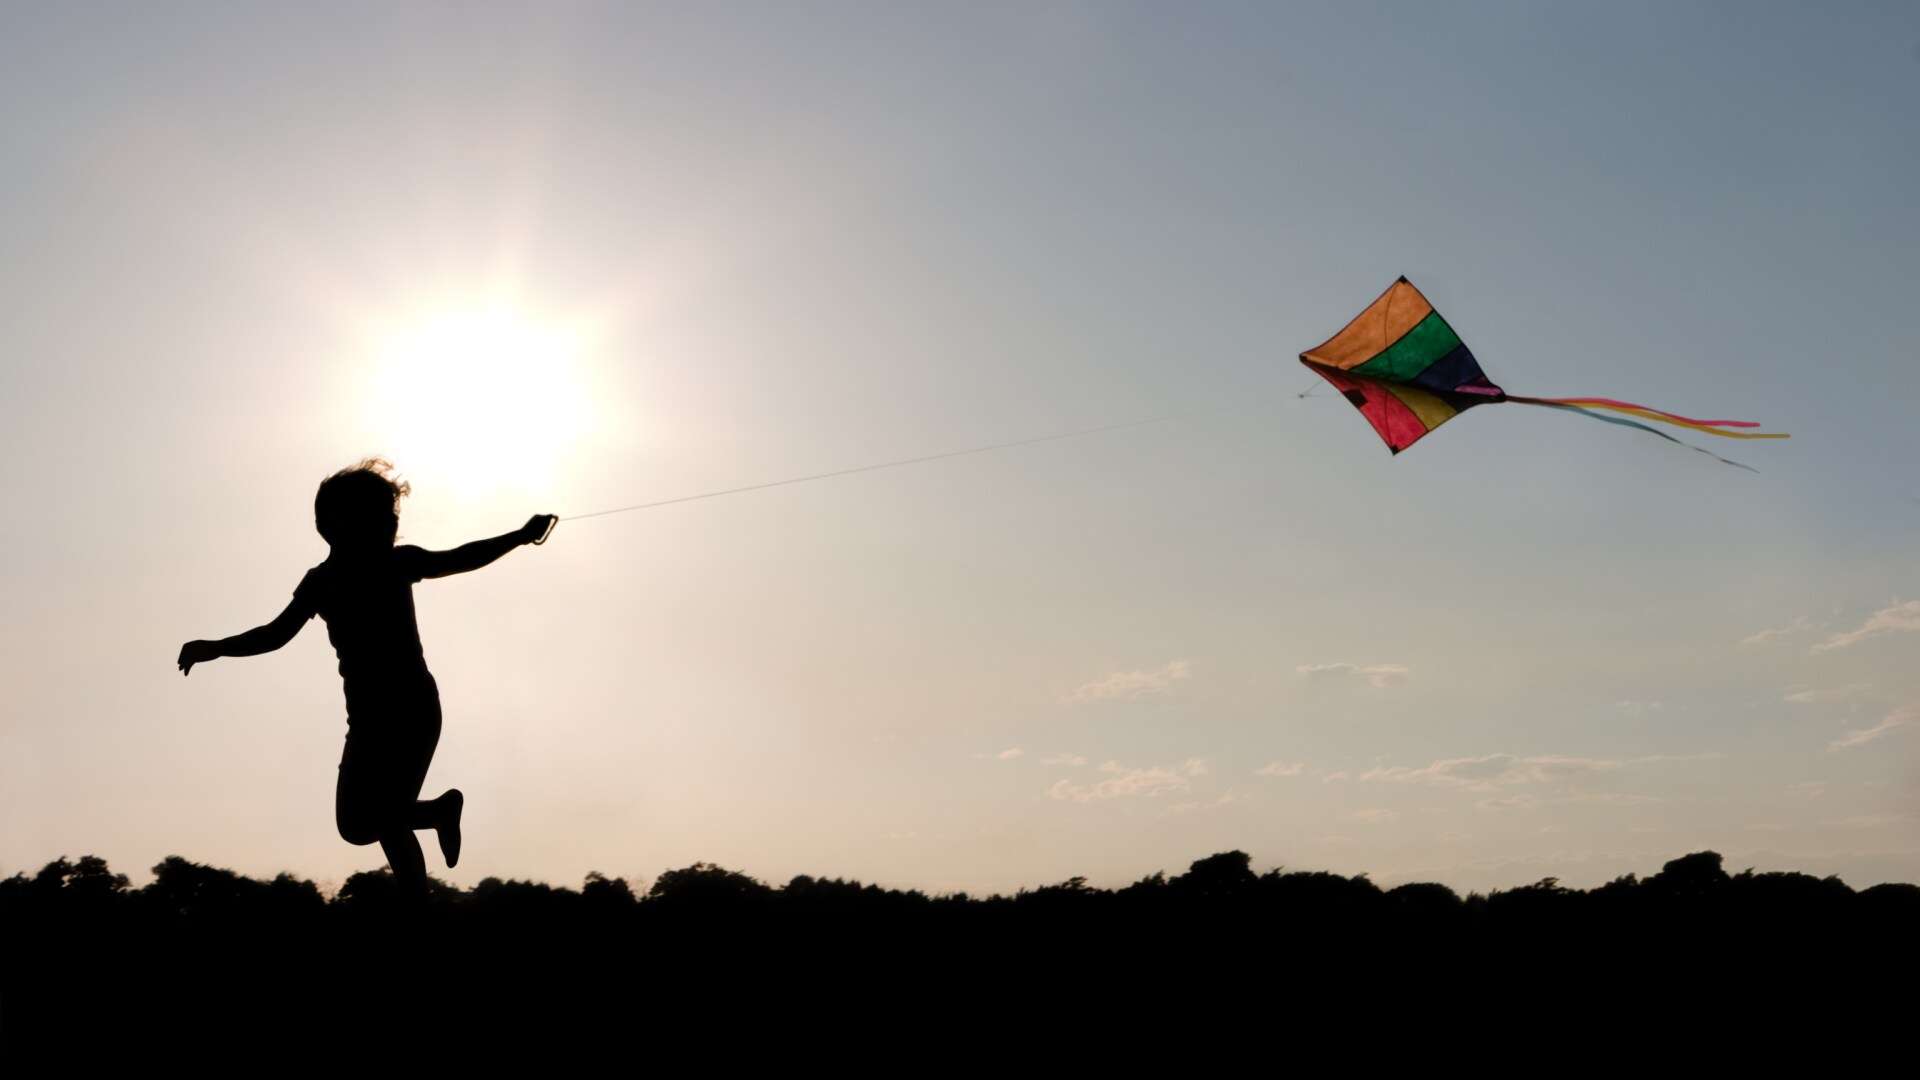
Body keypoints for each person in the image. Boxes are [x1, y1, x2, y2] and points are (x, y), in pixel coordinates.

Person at [178, 458, 555, 894]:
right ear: (334, 524)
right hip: (369, 718)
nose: (391, 525)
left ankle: (424, 880)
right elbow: (275, 634)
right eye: (382, 516)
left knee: (380, 818)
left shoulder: (395, 564)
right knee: (362, 823)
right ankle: (436, 814)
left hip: (411, 708)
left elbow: (461, 559)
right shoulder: (324, 581)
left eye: (391, 517)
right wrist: (218, 648)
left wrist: (521, 536)